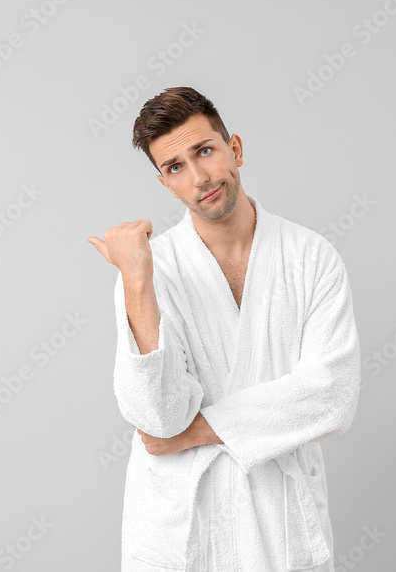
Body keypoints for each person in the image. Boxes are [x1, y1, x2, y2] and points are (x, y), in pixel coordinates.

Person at [87, 87, 361, 571]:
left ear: (234, 149)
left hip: (279, 525)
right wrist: (136, 282)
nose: (198, 178)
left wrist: (195, 433)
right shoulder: (150, 272)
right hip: (182, 526)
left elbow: (331, 396)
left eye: (205, 151)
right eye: (175, 167)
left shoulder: (311, 257)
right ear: (165, 184)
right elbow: (159, 419)